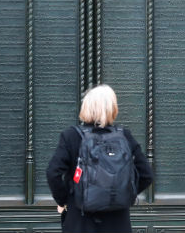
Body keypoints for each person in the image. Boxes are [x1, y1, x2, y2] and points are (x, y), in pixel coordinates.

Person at [46, 85, 153, 233]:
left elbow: (53, 173)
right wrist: (123, 192)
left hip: (80, 220)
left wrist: (65, 200)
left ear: (86, 107)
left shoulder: (71, 136)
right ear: (113, 108)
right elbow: (146, 175)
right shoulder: (124, 136)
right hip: (118, 222)